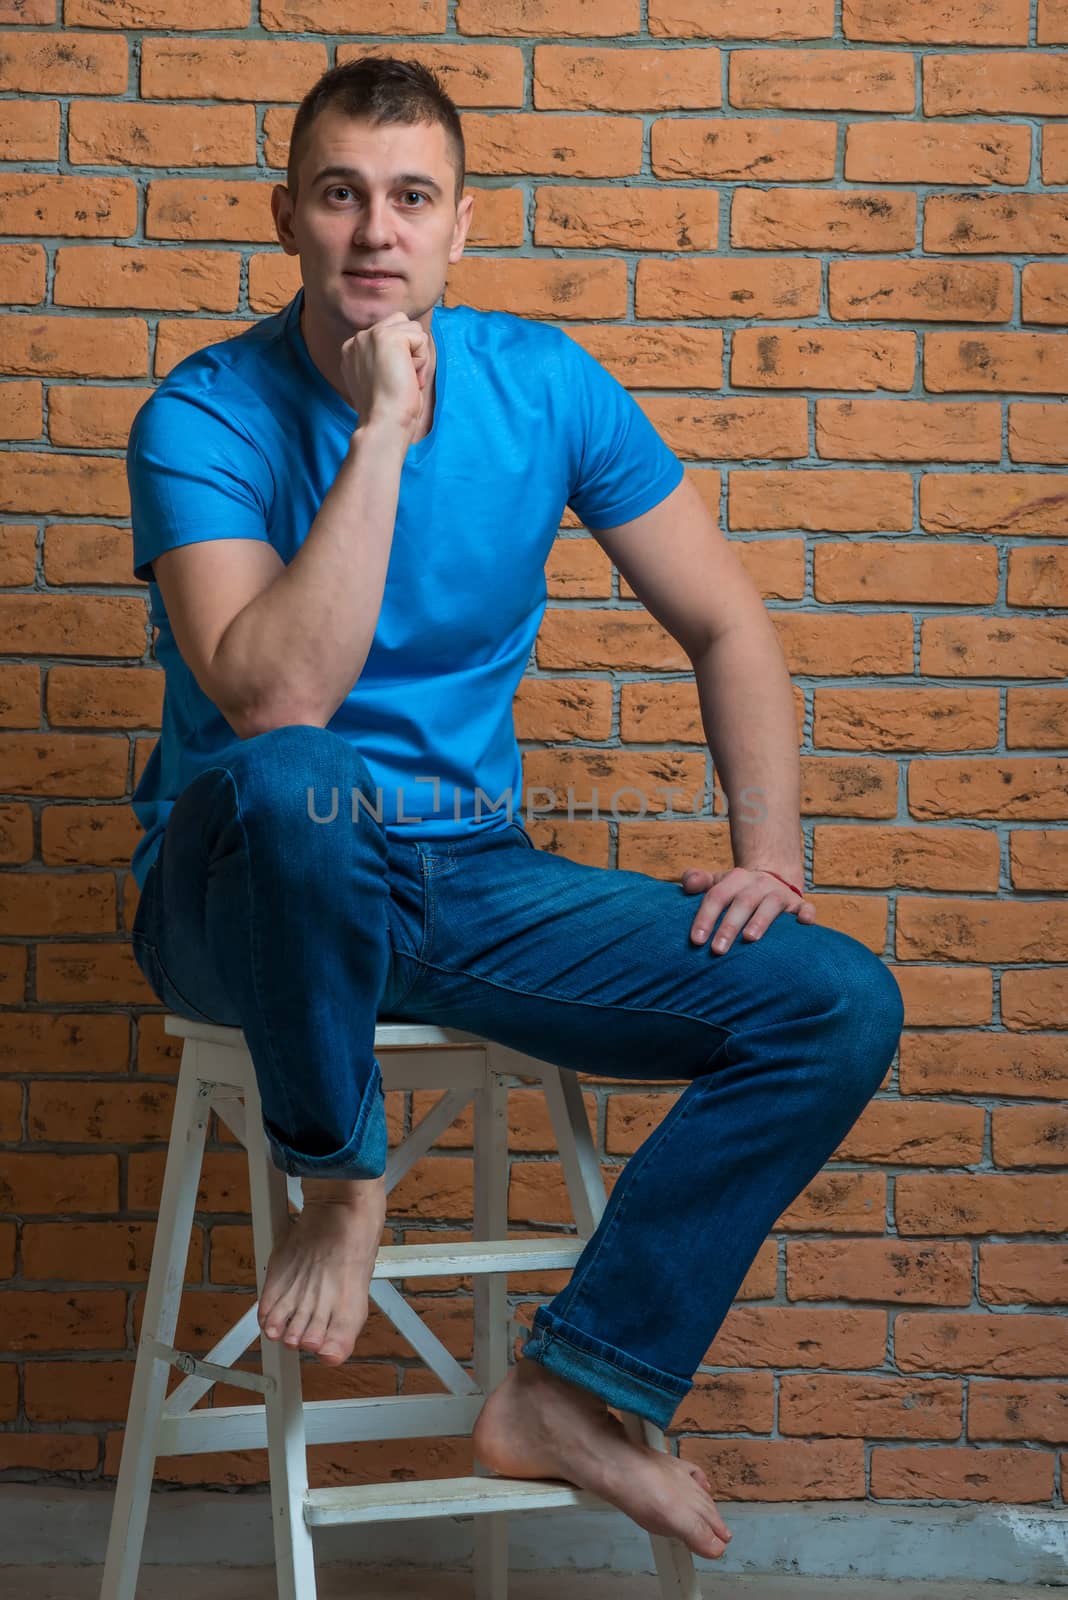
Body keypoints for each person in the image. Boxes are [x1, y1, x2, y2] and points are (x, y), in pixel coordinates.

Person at [126, 56, 905, 1563]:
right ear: (286, 214)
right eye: (341, 195)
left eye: (411, 198)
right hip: (246, 893)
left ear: (460, 226)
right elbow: (274, 699)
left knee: (835, 1003)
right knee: (302, 779)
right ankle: (340, 1173)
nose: (375, 232)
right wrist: (378, 441)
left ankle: (575, 1383)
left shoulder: (548, 386)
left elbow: (731, 626)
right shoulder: (202, 413)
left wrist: (771, 854)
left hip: (461, 880)